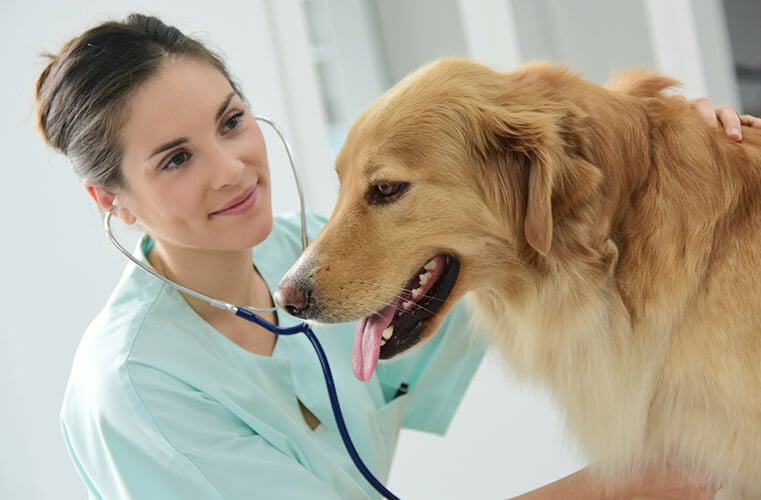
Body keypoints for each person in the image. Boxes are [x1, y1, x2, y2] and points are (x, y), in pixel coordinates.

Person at [35, 13, 759, 500]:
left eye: (230, 121)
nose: (230, 168)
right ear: (113, 202)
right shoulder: (137, 391)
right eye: (175, 158)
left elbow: (512, 209)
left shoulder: (304, 251)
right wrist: (638, 481)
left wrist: (661, 135)